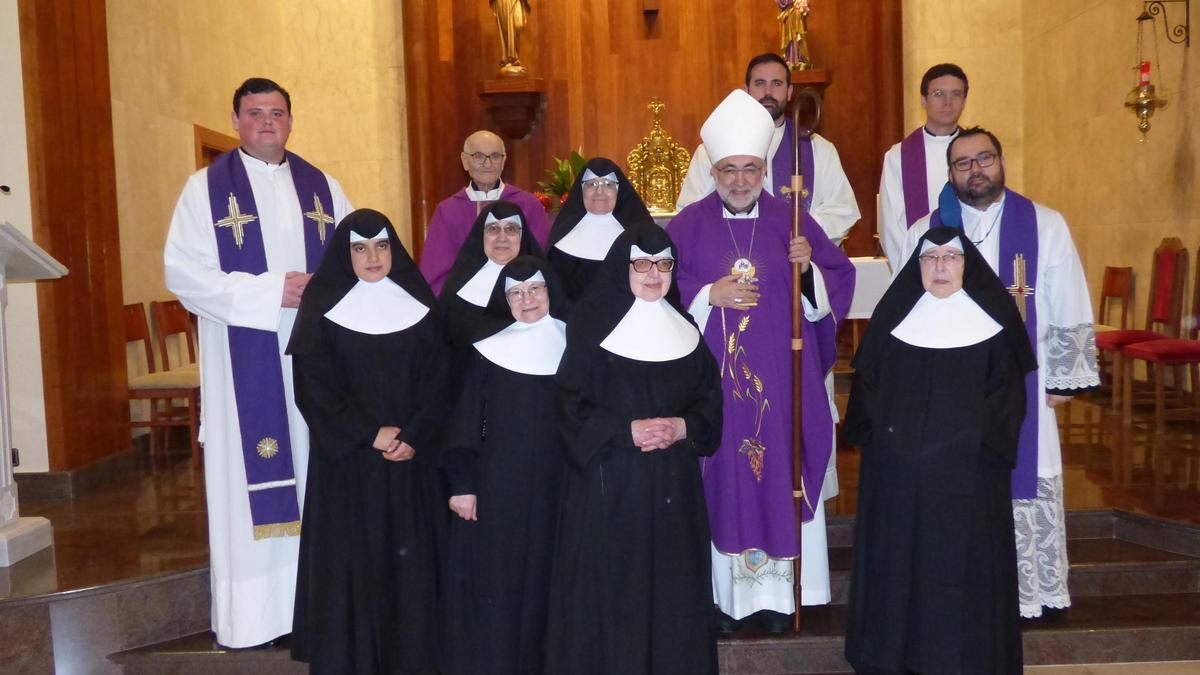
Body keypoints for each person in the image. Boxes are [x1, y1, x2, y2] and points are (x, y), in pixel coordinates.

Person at [163, 77, 353, 648]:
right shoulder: (204, 190)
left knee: (316, 473)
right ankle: (257, 617)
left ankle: (314, 609)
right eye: (254, 113)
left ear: (291, 120)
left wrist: (322, 291)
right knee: (254, 482)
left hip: (317, 356)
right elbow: (184, 274)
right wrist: (274, 291)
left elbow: (357, 256)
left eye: (277, 112)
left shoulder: (323, 187)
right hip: (245, 355)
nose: (267, 121)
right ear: (236, 120)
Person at [669, 89, 855, 633]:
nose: (741, 179)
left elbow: (837, 280)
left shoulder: (791, 219)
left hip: (782, 385)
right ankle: (724, 602)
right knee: (720, 479)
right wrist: (707, 296)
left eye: (751, 168)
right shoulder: (685, 226)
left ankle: (779, 599)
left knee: (780, 472)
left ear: (763, 168)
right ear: (714, 169)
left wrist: (808, 272)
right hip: (713, 392)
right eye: (730, 169)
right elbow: (656, 292)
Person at [902, 126, 1100, 619]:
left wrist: (1064, 375)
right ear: (949, 173)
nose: (975, 170)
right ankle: (961, 589)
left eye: (983, 158)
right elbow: (904, 311)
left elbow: (1068, 294)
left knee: (1025, 474)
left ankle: (1027, 591)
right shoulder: (927, 232)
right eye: (963, 163)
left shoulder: (1044, 224)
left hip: (1023, 382)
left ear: (1000, 161)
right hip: (951, 386)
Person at [843, 227, 1034, 675]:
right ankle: (893, 655)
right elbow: (867, 406)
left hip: (970, 481)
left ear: (967, 266)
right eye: (931, 259)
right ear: (918, 267)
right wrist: (899, 450)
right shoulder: (893, 327)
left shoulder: (994, 330)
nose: (941, 267)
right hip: (900, 481)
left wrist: (957, 449)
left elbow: (1006, 408)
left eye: (952, 258)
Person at [545, 225, 723, 674]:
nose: (653, 274)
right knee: (612, 594)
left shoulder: (685, 328)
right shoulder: (590, 325)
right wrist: (626, 432)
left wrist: (683, 427)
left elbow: (709, 402)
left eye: (663, 264)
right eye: (642, 264)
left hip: (674, 492)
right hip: (610, 487)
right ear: (623, 269)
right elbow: (568, 405)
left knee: (674, 591)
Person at [286, 208, 451, 673]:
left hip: (411, 461)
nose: (372, 257)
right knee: (354, 565)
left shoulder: (419, 308)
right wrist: (369, 434)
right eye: (360, 248)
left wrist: (414, 434)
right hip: (350, 465)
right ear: (346, 254)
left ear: (393, 250)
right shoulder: (323, 310)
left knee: (412, 564)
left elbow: (440, 379)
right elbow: (314, 391)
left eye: (381, 246)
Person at [442, 255, 568, 675]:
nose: (526, 299)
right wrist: (463, 484)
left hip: (563, 486)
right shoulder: (485, 349)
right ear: (503, 298)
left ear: (550, 290)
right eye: (515, 292)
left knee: (556, 583)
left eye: (535, 289)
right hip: (500, 488)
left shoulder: (576, 343)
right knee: (503, 583)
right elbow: (462, 424)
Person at [675, 52, 860, 245]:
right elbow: (690, 211)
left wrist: (796, 232)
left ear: (789, 92)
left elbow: (842, 211)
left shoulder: (817, 148)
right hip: (730, 260)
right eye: (760, 83)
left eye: (777, 84)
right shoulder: (713, 149)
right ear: (746, 90)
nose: (768, 92)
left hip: (793, 265)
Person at [419, 130, 550, 295]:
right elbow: (436, 271)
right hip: (465, 303)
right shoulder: (447, 211)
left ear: (503, 162)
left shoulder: (527, 205)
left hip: (520, 299)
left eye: (495, 156)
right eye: (479, 156)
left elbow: (541, 262)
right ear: (465, 161)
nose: (488, 165)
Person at [878, 63, 969, 268]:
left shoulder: (978, 155)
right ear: (923, 100)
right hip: (920, 270)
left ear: (964, 101)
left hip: (971, 267)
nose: (947, 102)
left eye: (956, 94)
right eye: (938, 94)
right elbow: (891, 226)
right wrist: (917, 270)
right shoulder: (899, 156)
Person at [546, 156, 656, 300]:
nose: (599, 191)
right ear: (581, 190)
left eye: (608, 184)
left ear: (619, 189)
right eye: (591, 184)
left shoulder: (639, 235)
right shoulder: (560, 242)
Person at [439, 200, 543, 349]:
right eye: (493, 229)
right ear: (481, 235)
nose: (502, 238)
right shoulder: (458, 286)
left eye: (511, 229)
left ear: (522, 235)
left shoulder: (542, 284)